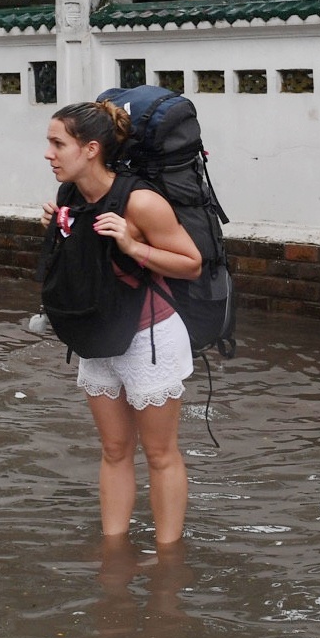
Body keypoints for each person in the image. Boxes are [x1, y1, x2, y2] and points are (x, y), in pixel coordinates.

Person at [43, 101, 203, 548]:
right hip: (99, 336)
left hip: (149, 336)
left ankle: (168, 559)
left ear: (91, 148)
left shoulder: (142, 201)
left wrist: (134, 245)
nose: (48, 154)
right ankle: (113, 552)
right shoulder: (70, 196)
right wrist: (60, 229)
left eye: (58, 143)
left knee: (159, 453)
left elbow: (191, 264)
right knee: (114, 450)